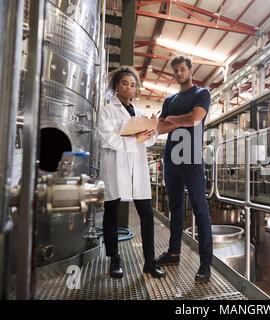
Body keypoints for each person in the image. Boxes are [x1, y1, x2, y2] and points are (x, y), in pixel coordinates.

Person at [98, 66, 166, 279]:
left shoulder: (140, 113)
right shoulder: (107, 110)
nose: (129, 87)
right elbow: (106, 138)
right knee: (112, 213)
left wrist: (153, 129)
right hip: (115, 166)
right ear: (117, 86)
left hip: (137, 168)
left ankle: (149, 261)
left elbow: (149, 141)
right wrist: (133, 140)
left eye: (133, 85)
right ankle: (114, 259)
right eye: (125, 83)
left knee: (146, 214)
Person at [156, 56, 213, 284]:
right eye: (176, 70)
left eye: (182, 69)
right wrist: (176, 120)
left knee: (200, 209)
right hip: (171, 159)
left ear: (190, 71)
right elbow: (160, 128)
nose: (179, 73)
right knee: (175, 207)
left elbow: (196, 118)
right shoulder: (169, 100)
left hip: (191, 158)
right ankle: (173, 253)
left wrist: (172, 120)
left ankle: (205, 263)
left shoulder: (201, 94)